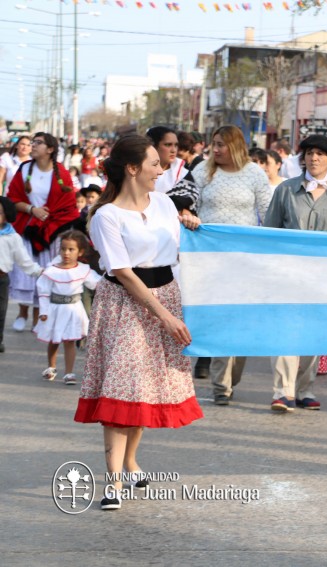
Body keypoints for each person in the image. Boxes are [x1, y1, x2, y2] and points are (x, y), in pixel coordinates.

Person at [74, 134, 203, 511]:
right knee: (122, 387)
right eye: (154, 165)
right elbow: (124, 273)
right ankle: (113, 480)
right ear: (132, 169)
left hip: (166, 293)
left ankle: (131, 462)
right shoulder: (105, 215)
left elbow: (180, 245)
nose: (161, 171)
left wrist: (193, 224)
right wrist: (163, 316)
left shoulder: (164, 203)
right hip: (126, 304)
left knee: (144, 387)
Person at [264, 135, 327, 412]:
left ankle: (305, 389)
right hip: (288, 274)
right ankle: (283, 392)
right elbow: (270, 232)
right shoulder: (285, 190)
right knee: (285, 332)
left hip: (323, 279)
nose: (314, 158)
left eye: (320, 154)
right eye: (309, 153)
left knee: (313, 335)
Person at [194, 125, 272, 399]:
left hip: (244, 259)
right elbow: (186, 203)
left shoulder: (254, 174)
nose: (215, 149)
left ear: (236, 146)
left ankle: (232, 374)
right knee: (219, 318)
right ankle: (220, 385)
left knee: (241, 320)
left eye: (221, 144)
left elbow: (268, 213)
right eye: (213, 143)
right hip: (209, 258)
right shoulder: (203, 171)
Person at [6, 132, 79, 333]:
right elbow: (12, 198)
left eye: (38, 143)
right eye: (32, 143)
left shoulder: (61, 173)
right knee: (25, 271)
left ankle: (39, 317)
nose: (33, 146)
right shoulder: (24, 169)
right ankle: (22, 313)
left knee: (45, 273)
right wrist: (32, 210)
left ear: (50, 149)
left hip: (51, 231)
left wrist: (51, 217)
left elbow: (69, 204)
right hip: (28, 228)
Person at [35, 230, 100, 385]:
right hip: (55, 309)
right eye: (63, 249)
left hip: (74, 310)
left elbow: (97, 283)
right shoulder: (52, 271)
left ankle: (69, 373)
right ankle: (51, 367)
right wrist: (43, 311)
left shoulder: (83, 270)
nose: (66, 253)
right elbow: (43, 291)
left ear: (80, 252)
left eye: (71, 249)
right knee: (54, 340)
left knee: (69, 341)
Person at [0, 196, 43, 353]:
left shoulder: (13, 237)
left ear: (7, 215)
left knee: (0, 313)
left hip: (2, 279)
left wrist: (39, 271)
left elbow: (24, 261)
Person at [147, 127, 189, 195]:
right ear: (153, 146)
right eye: (168, 145)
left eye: (176, 145)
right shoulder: (139, 172)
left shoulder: (184, 174)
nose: (174, 150)